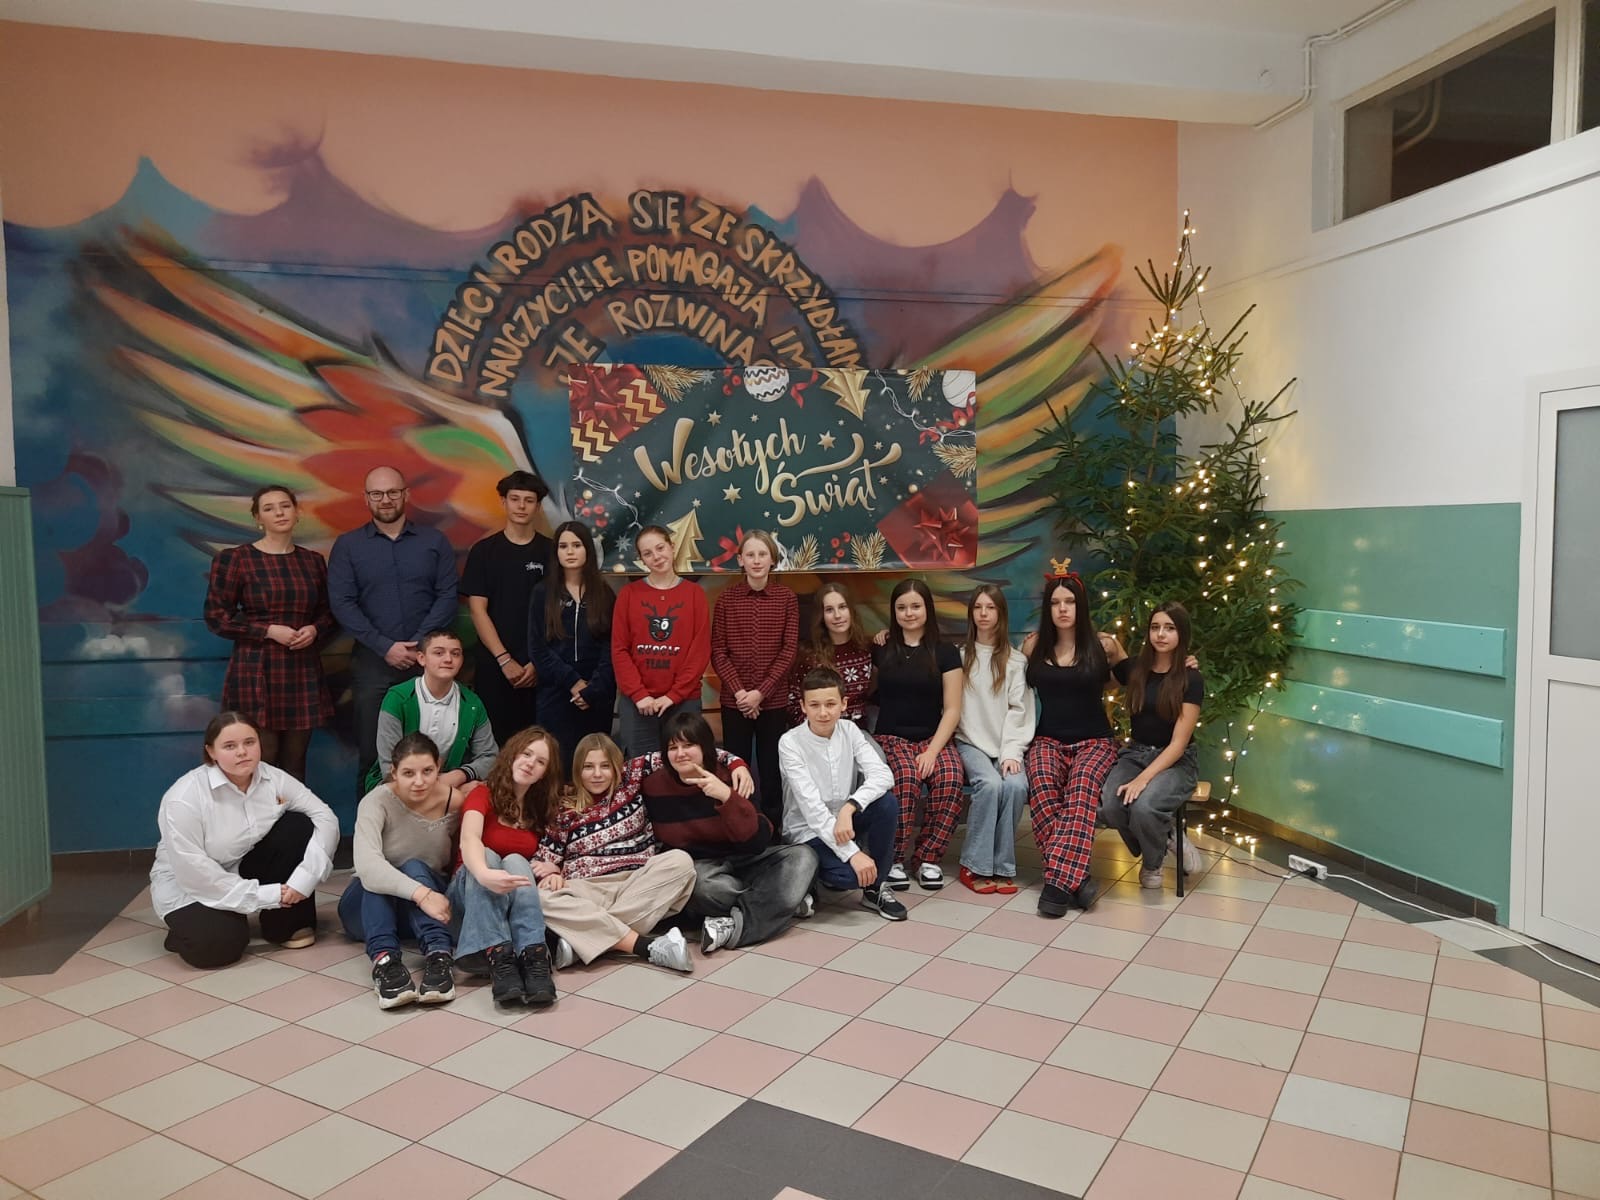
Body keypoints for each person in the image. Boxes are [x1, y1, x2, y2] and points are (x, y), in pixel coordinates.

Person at [150, 712, 339, 968]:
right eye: (229, 746)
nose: (242, 752)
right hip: (190, 884)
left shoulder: (273, 777)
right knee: (218, 948)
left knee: (298, 825)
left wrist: (304, 879)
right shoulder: (183, 798)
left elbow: (324, 816)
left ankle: (285, 926)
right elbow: (194, 872)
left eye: (249, 742)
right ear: (211, 751)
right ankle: (189, 928)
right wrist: (268, 894)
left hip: (242, 863)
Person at [328, 465, 459, 802]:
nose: (385, 499)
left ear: (405, 494)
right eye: (377, 493)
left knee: (430, 754)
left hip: (427, 666)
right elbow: (342, 603)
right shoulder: (348, 546)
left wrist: (419, 645)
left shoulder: (434, 542)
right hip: (372, 665)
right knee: (373, 755)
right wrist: (385, 646)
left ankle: (428, 828)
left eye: (392, 492)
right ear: (366, 498)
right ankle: (370, 831)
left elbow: (448, 595)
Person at [638, 710, 815, 953]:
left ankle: (734, 925)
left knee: (804, 856)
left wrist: (726, 796)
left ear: (705, 747)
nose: (680, 753)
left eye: (688, 745)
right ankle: (782, 902)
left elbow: (757, 841)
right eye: (672, 747)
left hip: (745, 858)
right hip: (701, 869)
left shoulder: (731, 776)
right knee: (700, 888)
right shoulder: (652, 784)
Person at [533, 733, 699, 972]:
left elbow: (682, 756)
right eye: (588, 767)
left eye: (605, 766)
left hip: (636, 882)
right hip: (588, 888)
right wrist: (551, 873)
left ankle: (583, 942)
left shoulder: (631, 781)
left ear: (616, 767)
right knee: (541, 896)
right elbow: (542, 859)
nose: (597, 774)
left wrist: (736, 764)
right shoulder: (564, 808)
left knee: (680, 861)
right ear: (578, 770)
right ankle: (643, 945)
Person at [202, 484, 334, 781]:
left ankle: (291, 814)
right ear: (258, 518)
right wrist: (268, 631)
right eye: (269, 508)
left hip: (301, 668)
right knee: (261, 760)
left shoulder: (312, 561)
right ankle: (256, 814)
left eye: (285, 506)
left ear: (297, 512)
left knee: (295, 763)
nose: (279, 513)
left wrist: (314, 629)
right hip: (256, 669)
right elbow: (216, 617)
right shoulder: (236, 559)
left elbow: (329, 613)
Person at [1021, 569, 1120, 917]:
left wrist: (1184, 663)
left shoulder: (1104, 645)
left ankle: (1056, 885)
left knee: (1081, 789)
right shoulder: (1033, 646)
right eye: (1055, 603)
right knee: (1042, 787)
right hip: (1047, 738)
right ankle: (1077, 881)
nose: (1063, 608)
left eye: (1070, 602)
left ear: (1081, 606)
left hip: (1095, 741)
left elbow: (1137, 675)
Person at [341, 734, 464, 1008]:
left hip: (427, 911)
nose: (419, 781)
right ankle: (386, 964)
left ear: (439, 767)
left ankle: (439, 958)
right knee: (380, 876)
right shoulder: (375, 802)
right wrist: (422, 894)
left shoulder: (453, 801)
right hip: (368, 909)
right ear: (394, 772)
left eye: (427, 771)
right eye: (408, 773)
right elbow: (368, 867)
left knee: (415, 866)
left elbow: (460, 859)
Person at [779, 666, 905, 921]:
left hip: (844, 821)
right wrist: (853, 854)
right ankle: (809, 877)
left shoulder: (850, 731)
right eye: (814, 705)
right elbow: (813, 811)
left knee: (887, 804)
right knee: (849, 877)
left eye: (830, 704)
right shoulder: (790, 742)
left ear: (843, 704)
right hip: (809, 829)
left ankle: (875, 888)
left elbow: (883, 776)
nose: (823, 713)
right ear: (803, 706)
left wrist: (850, 807)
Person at [448, 727, 562, 1007]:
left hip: (513, 905)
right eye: (526, 754)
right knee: (487, 854)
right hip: (468, 897)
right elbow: (469, 839)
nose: (530, 763)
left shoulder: (539, 809)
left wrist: (554, 868)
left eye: (540, 761)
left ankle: (534, 957)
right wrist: (485, 874)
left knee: (516, 860)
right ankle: (499, 958)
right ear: (512, 755)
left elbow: (554, 850)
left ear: (545, 773)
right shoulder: (482, 793)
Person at [1100, 602, 1205, 889]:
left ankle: (1152, 863)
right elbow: (1105, 672)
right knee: (1110, 806)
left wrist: (1143, 779)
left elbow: (1178, 744)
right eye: (1155, 627)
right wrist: (1106, 642)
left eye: (1169, 628)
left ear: (1181, 633)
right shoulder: (1136, 668)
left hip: (1176, 760)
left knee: (1144, 807)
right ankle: (1167, 833)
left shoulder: (1191, 678)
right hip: (1136, 752)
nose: (1161, 634)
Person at [872, 579, 963, 891]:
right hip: (891, 737)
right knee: (906, 778)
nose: (909, 613)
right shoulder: (881, 648)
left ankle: (928, 858)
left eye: (915, 606)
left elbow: (953, 709)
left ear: (928, 609)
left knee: (950, 776)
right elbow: (867, 690)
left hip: (932, 738)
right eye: (901, 607)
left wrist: (932, 751)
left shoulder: (946, 652)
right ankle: (894, 857)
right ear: (893, 611)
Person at [710, 529, 798, 825]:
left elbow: (788, 650)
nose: (757, 560)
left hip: (773, 701)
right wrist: (740, 693)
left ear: (773, 559)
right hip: (734, 702)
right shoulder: (726, 599)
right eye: (750, 555)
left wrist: (760, 693)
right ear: (740, 560)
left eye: (763, 554)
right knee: (736, 765)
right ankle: (740, 824)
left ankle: (773, 827)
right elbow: (718, 651)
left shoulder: (787, 599)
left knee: (772, 767)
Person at [953, 586, 1035, 895]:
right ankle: (974, 864)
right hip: (970, 743)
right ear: (971, 613)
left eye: (991, 607)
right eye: (978, 607)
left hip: (1006, 746)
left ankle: (1002, 866)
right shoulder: (961, 658)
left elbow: (1019, 710)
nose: (984, 614)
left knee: (1015, 786)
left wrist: (1011, 752)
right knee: (989, 785)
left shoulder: (1015, 661)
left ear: (1001, 613)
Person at [461, 470, 553, 745]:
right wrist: (504, 660)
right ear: (503, 502)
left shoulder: (552, 552)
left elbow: (558, 612)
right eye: (515, 499)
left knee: (539, 743)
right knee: (494, 744)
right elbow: (477, 610)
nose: (521, 506)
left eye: (529, 500)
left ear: (538, 506)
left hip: (541, 667)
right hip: (495, 666)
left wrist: (538, 661)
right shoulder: (483, 551)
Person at [611, 525, 709, 756]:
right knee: (642, 767)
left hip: (684, 701)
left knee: (684, 766)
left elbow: (700, 651)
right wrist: (639, 694)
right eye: (648, 553)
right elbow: (619, 649)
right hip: (638, 704)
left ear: (672, 547)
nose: (656, 556)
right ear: (641, 559)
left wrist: (673, 695)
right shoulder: (628, 594)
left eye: (660, 548)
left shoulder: (694, 594)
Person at [528, 520, 616, 765]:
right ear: (556, 552)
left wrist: (592, 688)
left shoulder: (605, 594)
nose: (570, 552)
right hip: (556, 694)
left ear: (587, 549)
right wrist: (573, 682)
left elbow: (611, 647)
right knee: (556, 764)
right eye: (563, 546)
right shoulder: (542, 593)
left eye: (576, 545)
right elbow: (537, 648)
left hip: (596, 696)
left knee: (593, 764)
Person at [366, 629, 498, 792]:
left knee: (481, 791)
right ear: (421, 658)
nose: (448, 659)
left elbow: (489, 756)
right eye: (439, 653)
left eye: (455, 654)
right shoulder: (398, 698)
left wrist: (460, 775)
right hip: (399, 786)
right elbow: (389, 765)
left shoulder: (472, 703)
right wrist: (444, 790)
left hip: (451, 783)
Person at [787, 581, 875, 726]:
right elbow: (794, 703)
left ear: (851, 611)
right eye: (829, 610)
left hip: (857, 732)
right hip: (818, 732)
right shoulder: (809, 656)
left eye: (842, 607)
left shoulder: (866, 650)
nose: (837, 615)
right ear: (821, 616)